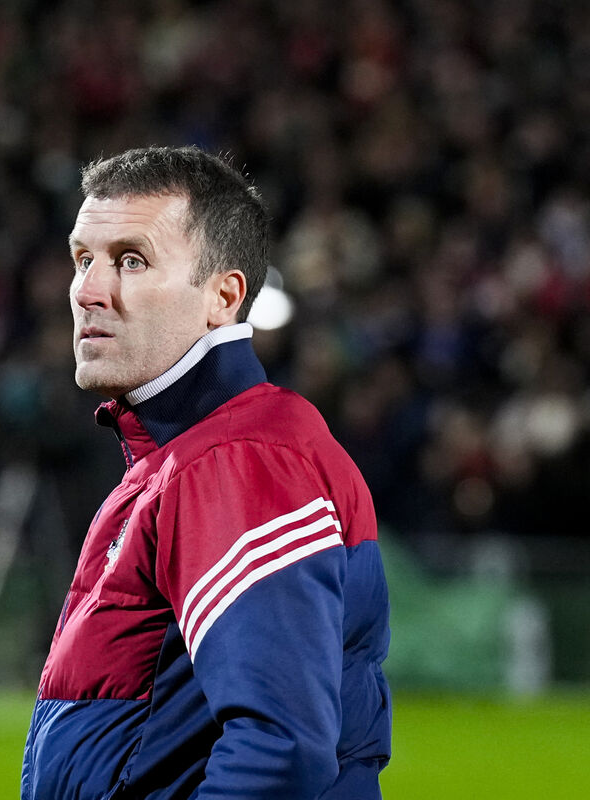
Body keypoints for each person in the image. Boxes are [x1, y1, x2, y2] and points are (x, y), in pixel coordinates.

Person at [21, 146, 391, 799]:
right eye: (83, 259)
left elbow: (279, 753)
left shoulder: (235, 460)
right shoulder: (185, 456)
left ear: (223, 296)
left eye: (130, 261)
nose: (87, 291)